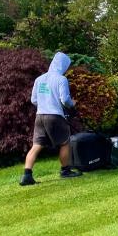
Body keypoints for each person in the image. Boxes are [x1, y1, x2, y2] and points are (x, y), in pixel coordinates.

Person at [20, 52, 82, 186]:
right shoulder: (61, 79)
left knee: (36, 145)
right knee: (65, 142)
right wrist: (73, 104)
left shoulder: (39, 79)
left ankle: (27, 175)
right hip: (54, 116)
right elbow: (65, 100)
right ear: (63, 66)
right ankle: (65, 171)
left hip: (40, 116)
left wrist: (45, 104)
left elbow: (33, 100)